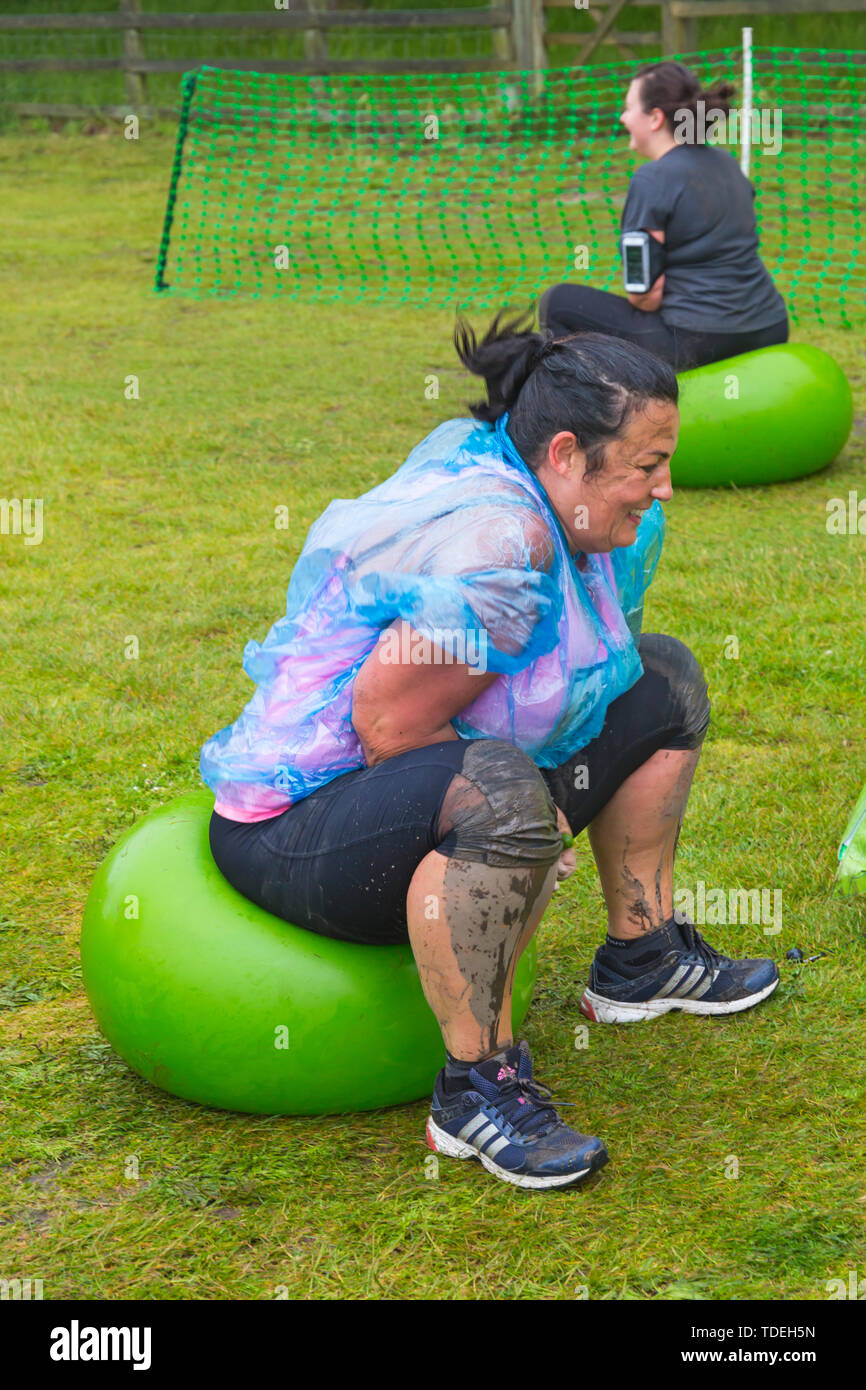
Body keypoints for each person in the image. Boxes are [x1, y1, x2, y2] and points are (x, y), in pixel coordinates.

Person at [201, 312, 779, 1191]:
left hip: (431, 776)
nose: (663, 489)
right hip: (301, 826)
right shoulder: (505, 547)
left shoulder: (586, 520)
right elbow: (385, 727)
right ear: (563, 456)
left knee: (663, 683)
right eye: (646, 466)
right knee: (504, 793)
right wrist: (525, 831)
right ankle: (477, 1089)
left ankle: (639, 956)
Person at [538, 61, 788, 371]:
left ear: (655, 118)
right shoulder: (726, 163)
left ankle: (586, 409)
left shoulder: (652, 178)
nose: (622, 117)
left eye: (628, 108)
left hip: (698, 340)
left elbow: (645, 296)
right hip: (769, 328)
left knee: (558, 302)